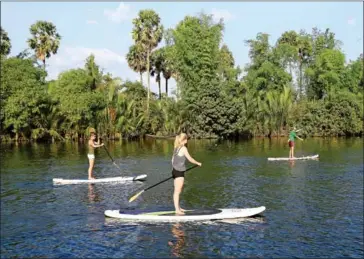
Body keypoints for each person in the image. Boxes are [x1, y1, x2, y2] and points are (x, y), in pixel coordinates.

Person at [171, 133, 202, 215]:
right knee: (177, 191)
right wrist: (198, 163)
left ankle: (179, 207)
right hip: (179, 172)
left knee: (178, 190)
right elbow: (190, 159)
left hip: (175, 171)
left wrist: (174, 170)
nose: (187, 140)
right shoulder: (183, 148)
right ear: (184, 140)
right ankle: (177, 210)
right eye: (187, 139)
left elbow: (172, 160)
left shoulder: (176, 147)